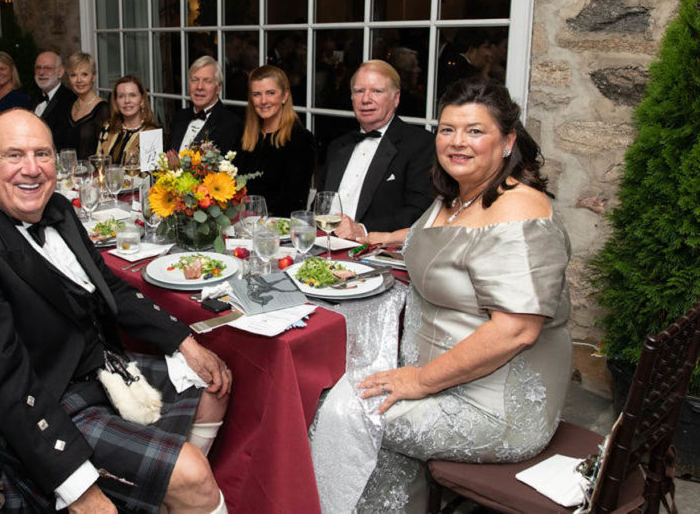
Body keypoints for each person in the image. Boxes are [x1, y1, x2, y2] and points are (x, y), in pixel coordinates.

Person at [0, 108, 231, 513]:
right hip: (48, 399)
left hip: (101, 369)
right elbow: (4, 381)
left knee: (212, 384)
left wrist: (183, 340)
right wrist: (77, 488)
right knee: (194, 477)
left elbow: (108, 286)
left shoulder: (60, 209)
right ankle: (182, 488)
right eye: (14, 155)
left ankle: (161, 495)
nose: (31, 169)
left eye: (42, 154)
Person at [312, 78, 572, 512]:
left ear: (508, 142)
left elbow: (516, 331)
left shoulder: (520, 210)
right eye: (448, 129)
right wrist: (371, 237)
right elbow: (432, 241)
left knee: (336, 413)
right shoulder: (457, 196)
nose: (457, 141)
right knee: (325, 384)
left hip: (490, 400)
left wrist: (419, 381)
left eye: (475, 130)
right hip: (439, 374)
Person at [322, 60, 434, 236]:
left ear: (396, 99)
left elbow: (419, 212)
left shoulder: (420, 144)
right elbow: (320, 205)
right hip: (324, 242)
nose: (366, 99)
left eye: (377, 91)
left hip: (376, 248)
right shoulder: (337, 146)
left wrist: (363, 230)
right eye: (359, 91)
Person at [233, 66, 316, 217]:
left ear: (285, 96)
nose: (263, 101)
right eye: (257, 94)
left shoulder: (300, 140)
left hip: (277, 226)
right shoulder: (244, 135)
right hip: (239, 222)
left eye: (270, 93)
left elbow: (293, 202)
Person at [166, 56, 243, 155]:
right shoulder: (179, 117)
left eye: (207, 81)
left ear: (218, 88)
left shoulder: (231, 124)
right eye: (195, 80)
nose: (199, 87)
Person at [96, 75, 160, 169]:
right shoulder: (108, 127)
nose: (127, 101)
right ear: (116, 102)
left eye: (132, 95)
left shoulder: (151, 133)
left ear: (142, 100)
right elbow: (98, 164)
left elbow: (151, 174)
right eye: (121, 96)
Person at [57, 51, 109, 159]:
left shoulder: (103, 110)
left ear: (93, 76)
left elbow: (106, 152)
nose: (79, 80)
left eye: (84, 74)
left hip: (92, 169)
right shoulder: (67, 105)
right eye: (73, 75)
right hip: (65, 168)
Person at [33, 49, 76, 136]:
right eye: (38, 67)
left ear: (60, 72)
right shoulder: (32, 98)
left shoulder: (70, 101)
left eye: (47, 68)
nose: (41, 72)